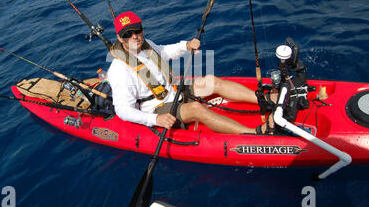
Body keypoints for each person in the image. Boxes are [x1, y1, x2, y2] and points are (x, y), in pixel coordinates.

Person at [107, 11, 275, 135]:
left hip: (173, 91)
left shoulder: (146, 44)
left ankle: (266, 100)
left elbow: (164, 52)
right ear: (120, 38)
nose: (135, 37)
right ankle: (253, 133)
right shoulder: (119, 70)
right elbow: (123, 110)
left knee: (212, 81)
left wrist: (185, 46)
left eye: (137, 30)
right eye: (128, 34)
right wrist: (155, 120)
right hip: (155, 107)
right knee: (196, 109)